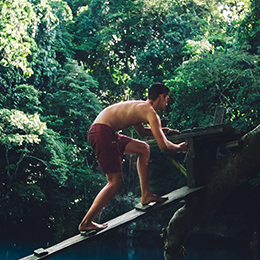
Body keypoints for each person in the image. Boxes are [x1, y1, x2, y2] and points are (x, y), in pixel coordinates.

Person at [79, 83, 188, 233]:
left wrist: (162, 131)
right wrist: (179, 147)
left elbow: (142, 133)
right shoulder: (151, 113)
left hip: (105, 132)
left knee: (143, 148)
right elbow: (164, 147)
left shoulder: (140, 107)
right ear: (162, 96)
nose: (167, 103)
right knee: (115, 182)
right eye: (167, 99)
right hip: (102, 133)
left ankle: (146, 195)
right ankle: (86, 222)